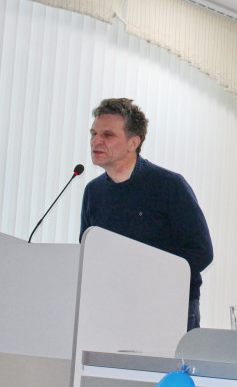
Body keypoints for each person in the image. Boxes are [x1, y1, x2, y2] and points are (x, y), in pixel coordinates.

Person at [80, 98, 213, 331]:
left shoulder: (169, 185)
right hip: (113, 308)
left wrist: (151, 280)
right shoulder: (94, 191)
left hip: (168, 307)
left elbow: (201, 252)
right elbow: (89, 253)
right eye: (93, 134)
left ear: (133, 143)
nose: (96, 141)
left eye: (108, 135)